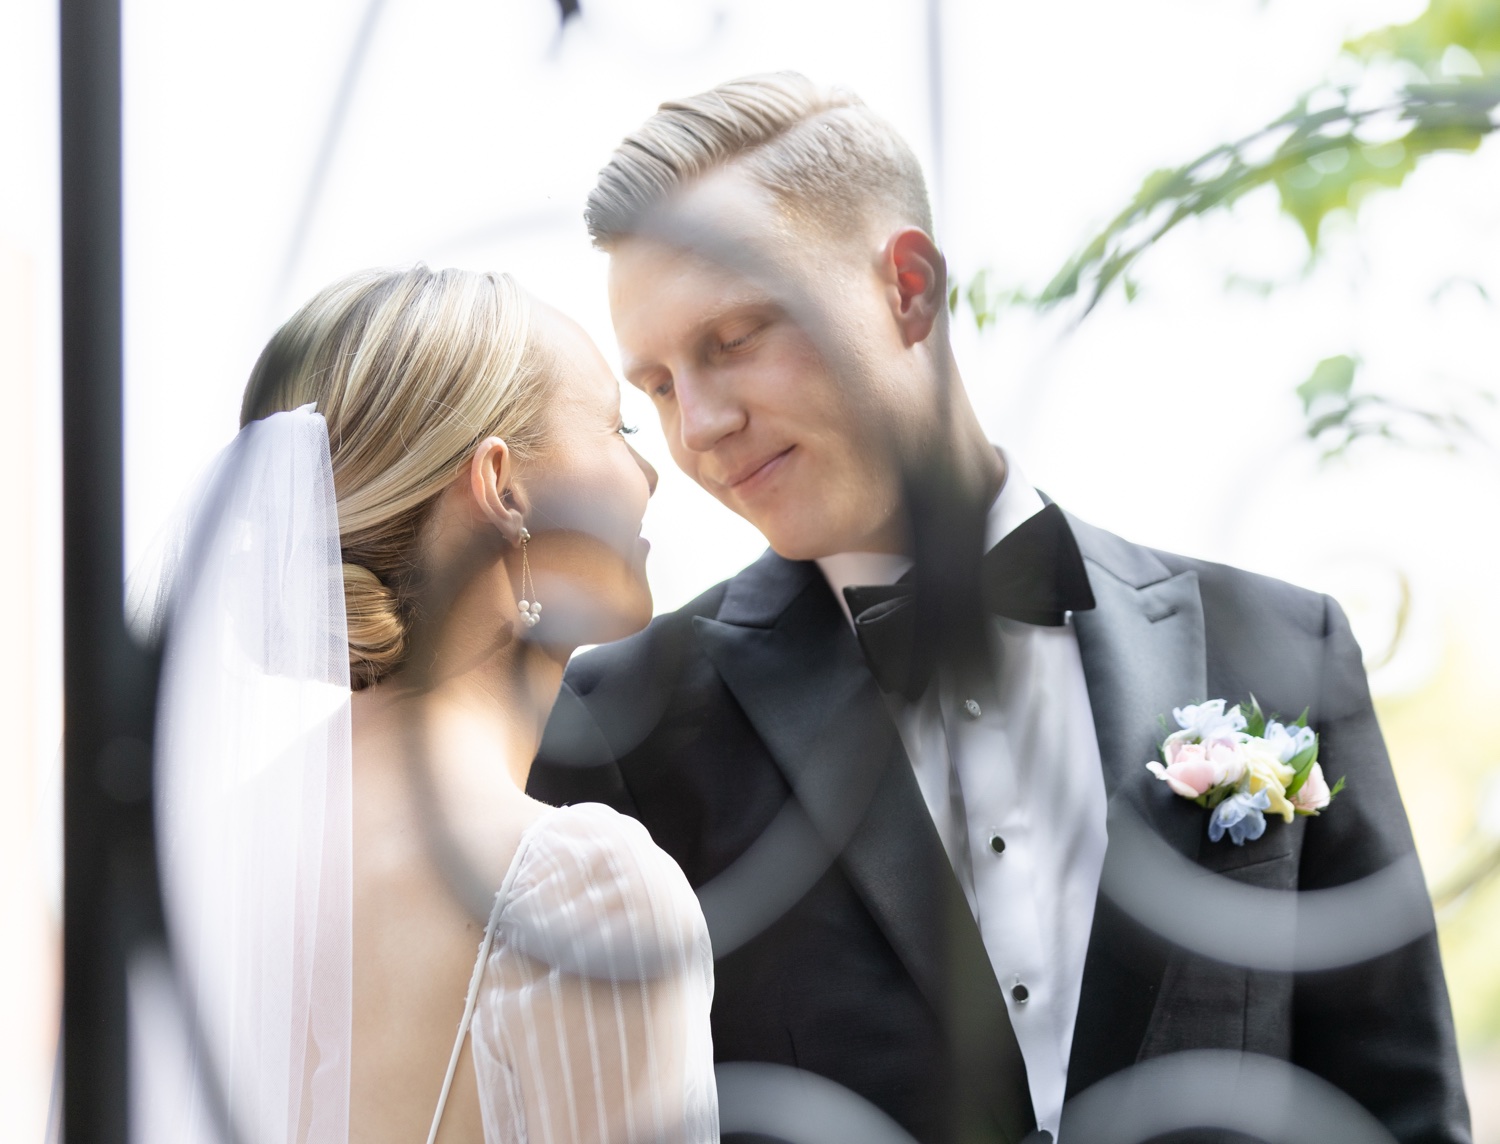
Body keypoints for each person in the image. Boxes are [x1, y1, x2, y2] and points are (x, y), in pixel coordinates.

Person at [530, 73, 1472, 1143]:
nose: (700, 424)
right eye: (655, 385)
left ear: (910, 288)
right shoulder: (620, 727)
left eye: (734, 338)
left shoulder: (1281, 647)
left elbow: (1402, 1109)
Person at [149, 267, 717, 1144]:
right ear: (504, 490)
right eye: (617, 424)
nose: (651, 469)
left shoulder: (204, 855)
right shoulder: (581, 890)